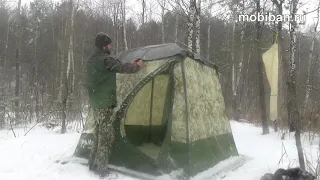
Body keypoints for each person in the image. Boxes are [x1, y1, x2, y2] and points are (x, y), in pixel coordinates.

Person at [86, 32, 144, 177]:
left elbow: (113, 65)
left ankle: (92, 163)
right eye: (109, 45)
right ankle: (101, 168)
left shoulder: (92, 59)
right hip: (105, 103)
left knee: (98, 133)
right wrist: (137, 66)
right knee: (106, 136)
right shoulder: (105, 60)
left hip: (95, 102)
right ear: (104, 46)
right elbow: (122, 68)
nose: (111, 47)